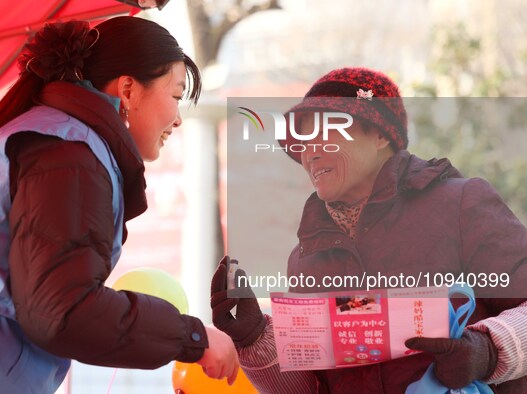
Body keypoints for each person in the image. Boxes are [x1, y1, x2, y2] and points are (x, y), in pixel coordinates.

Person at [0, 16, 239, 393]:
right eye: (176, 96)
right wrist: (193, 337)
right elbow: (62, 309)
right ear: (128, 90)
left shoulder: (44, 134)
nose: (178, 119)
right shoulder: (69, 156)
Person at [210, 67, 527, 393]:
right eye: (303, 141)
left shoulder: (462, 204)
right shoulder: (306, 259)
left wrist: (488, 350)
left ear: (380, 135)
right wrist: (255, 339)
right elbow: (310, 389)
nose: (310, 152)